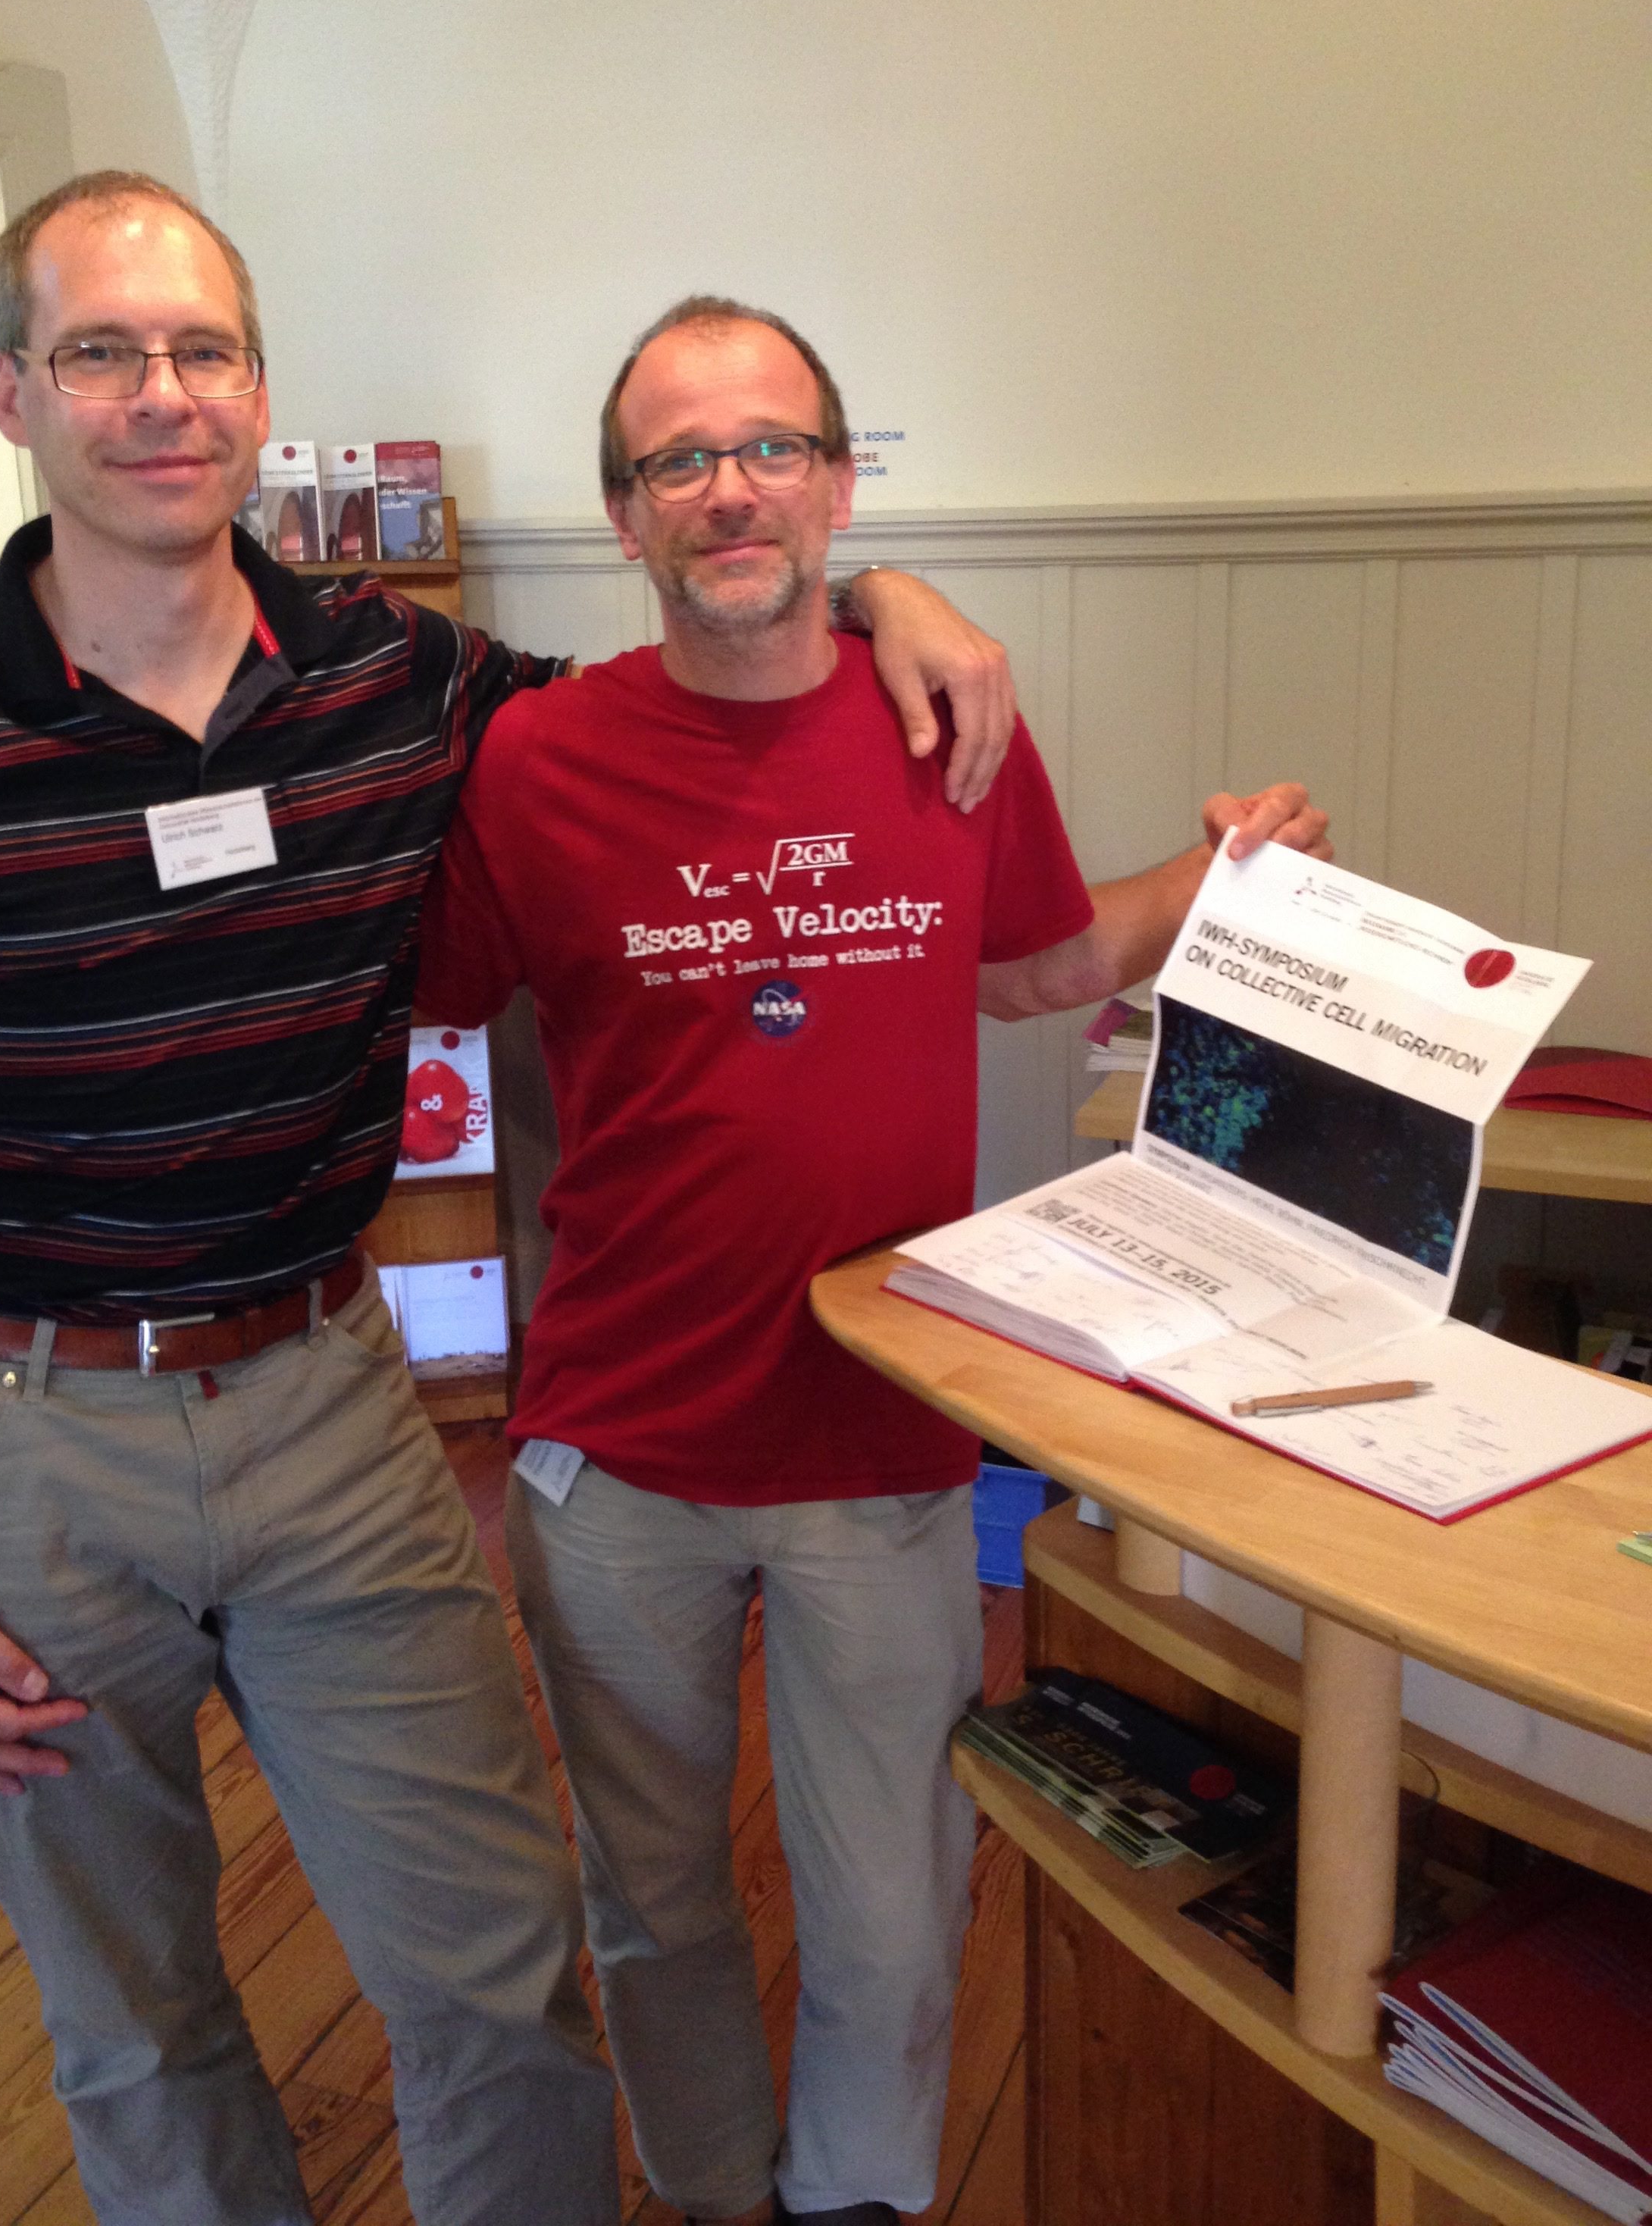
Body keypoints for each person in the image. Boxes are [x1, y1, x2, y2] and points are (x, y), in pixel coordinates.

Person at [0, 178, 1025, 2226]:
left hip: (327, 1398)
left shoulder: (400, 679)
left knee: (494, 1968)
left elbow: (711, 664)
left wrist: (892, 596)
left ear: (261, 392)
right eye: (101, 351)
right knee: (139, 2014)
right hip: (6, 1443)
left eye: (199, 351)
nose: (159, 396)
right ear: (15, 390)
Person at [414, 295, 1331, 2226]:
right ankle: (706, 2187)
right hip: (616, 1448)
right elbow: (410, 1004)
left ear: (837, 483)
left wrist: (1227, 877)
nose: (728, 489)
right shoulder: (534, 763)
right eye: (680, 459)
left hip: (889, 1434)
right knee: (651, 1906)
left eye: (771, 449)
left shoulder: (948, 719)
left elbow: (1040, 965)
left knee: (899, 1923)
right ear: (623, 512)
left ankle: (859, 2198)